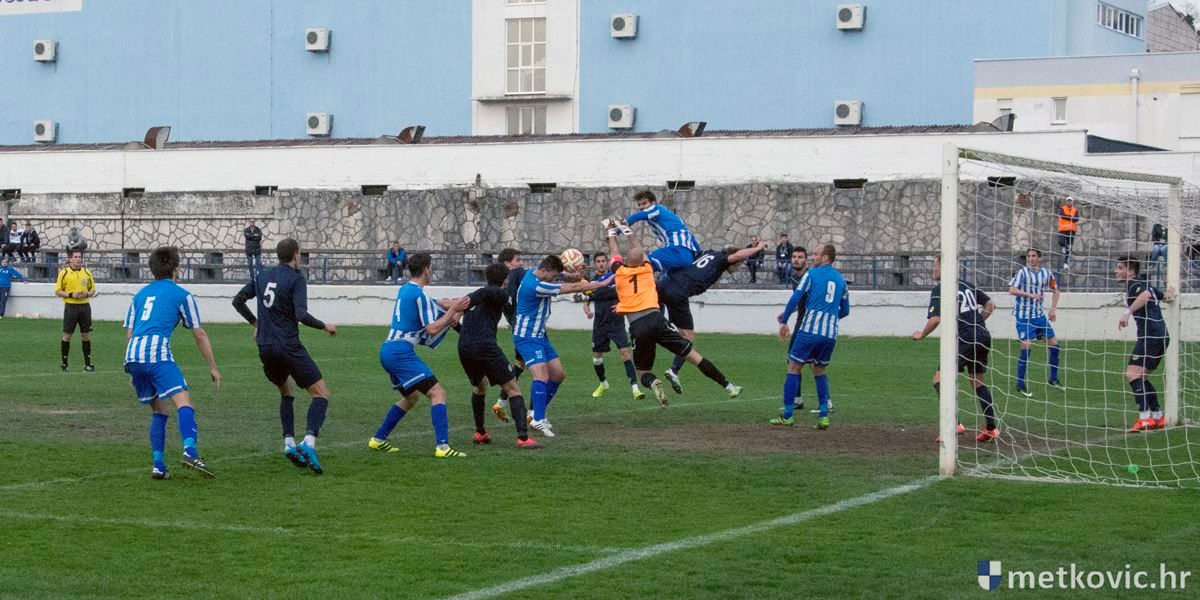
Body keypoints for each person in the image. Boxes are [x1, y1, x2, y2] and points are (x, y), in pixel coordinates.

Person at [232, 238, 337, 474]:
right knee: (321, 394)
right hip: (288, 345)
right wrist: (325, 326)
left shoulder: (262, 275)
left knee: (286, 392)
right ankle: (308, 442)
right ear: (296, 254)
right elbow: (301, 315)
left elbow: (237, 301)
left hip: (265, 346)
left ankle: (289, 443)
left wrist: (256, 323)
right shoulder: (296, 279)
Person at [606, 226, 742, 407]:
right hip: (658, 321)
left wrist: (611, 233)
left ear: (625, 262)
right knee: (694, 356)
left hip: (638, 326)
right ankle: (729, 386)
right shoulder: (647, 269)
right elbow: (639, 249)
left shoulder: (619, 272)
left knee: (643, 372)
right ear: (642, 261)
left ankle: (653, 382)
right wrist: (628, 232)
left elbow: (614, 252)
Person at [123, 247, 222, 479]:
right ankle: (190, 452)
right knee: (183, 401)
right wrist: (213, 367)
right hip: (156, 351)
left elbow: (130, 333)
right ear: (176, 269)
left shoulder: (139, 296)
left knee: (159, 409)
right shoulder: (181, 295)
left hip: (133, 354)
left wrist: (132, 370)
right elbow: (199, 334)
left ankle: (158, 465)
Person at [368, 253, 472, 457]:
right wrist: (454, 311)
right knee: (438, 393)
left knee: (411, 397)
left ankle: (378, 439)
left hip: (388, 350)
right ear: (426, 269)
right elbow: (432, 329)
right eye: (430, 267)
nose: (431, 271)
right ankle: (443, 447)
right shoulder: (419, 295)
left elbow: (436, 302)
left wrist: (454, 305)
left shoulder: (406, 289)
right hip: (400, 352)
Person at [513, 254, 611, 437]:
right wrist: (602, 283)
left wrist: (575, 274)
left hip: (539, 335)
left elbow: (568, 278)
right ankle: (538, 418)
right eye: (553, 276)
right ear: (544, 271)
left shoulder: (536, 272)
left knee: (558, 374)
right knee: (541, 374)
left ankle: (535, 413)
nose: (554, 279)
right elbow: (573, 287)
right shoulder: (536, 286)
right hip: (526, 336)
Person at [659, 240, 770, 394]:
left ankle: (672, 364)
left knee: (680, 335)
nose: (737, 268)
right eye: (737, 265)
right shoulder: (721, 260)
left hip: (666, 284)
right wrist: (757, 248)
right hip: (679, 292)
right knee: (688, 339)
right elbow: (737, 255)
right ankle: (673, 370)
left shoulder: (710, 254)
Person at [910, 256, 999, 443]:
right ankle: (991, 428)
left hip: (965, 338)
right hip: (983, 336)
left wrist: (921, 334)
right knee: (978, 382)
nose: (933, 270)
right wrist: (977, 323)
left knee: (939, 380)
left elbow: (935, 319)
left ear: (944, 267)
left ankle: (954, 425)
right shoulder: (967, 285)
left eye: (935, 266)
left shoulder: (941, 289)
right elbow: (990, 305)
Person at [456, 262, 541, 449]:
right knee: (513, 389)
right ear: (505, 279)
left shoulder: (476, 298)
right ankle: (523, 438)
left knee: (480, 387)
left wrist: (468, 336)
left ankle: (480, 433)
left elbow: (455, 319)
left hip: (465, 347)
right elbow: (488, 293)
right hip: (485, 347)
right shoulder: (499, 293)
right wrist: (468, 299)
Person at [770, 244, 849, 430]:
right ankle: (823, 417)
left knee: (793, 367)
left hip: (809, 330)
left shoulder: (811, 274)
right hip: (830, 334)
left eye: (816, 254)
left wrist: (784, 321)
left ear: (826, 257)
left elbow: (796, 298)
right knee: (819, 371)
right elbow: (845, 310)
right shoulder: (841, 280)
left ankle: (788, 415)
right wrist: (829, 318)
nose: (813, 257)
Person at [1116, 257, 1173, 433]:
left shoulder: (1133, 284)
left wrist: (1127, 313)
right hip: (1161, 335)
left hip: (1150, 336)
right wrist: (1170, 294)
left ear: (1130, 271)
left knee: (1132, 374)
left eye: (1120, 268)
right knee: (1141, 377)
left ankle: (1144, 418)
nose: (1116, 271)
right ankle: (1157, 417)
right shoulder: (1145, 283)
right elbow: (1165, 297)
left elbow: (1145, 295)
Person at [581, 251, 643, 401]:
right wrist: (587, 311)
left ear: (607, 263)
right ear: (595, 264)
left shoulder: (615, 277)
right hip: (600, 324)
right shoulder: (592, 283)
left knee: (625, 353)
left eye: (603, 261)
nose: (601, 264)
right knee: (596, 359)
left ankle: (635, 388)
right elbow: (586, 302)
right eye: (598, 262)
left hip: (616, 322)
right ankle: (603, 384)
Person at [1008, 248, 1061, 396]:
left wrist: (1053, 309)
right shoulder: (1022, 273)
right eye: (1028, 256)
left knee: (1055, 345)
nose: (1030, 258)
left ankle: (1053, 378)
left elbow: (1056, 290)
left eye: (1033, 256)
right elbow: (1012, 290)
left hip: (1039, 316)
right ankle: (1020, 384)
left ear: (1040, 258)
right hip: (1023, 317)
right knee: (1026, 347)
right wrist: (1030, 295)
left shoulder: (1047, 274)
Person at [611, 190, 700, 274]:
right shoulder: (667, 216)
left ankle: (619, 279)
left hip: (676, 250)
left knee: (642, 262)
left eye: (644, 203)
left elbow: (636, 216)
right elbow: (691, 237)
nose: (641, 207)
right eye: (639, 205)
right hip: (687, 256)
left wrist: (615, 232)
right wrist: (699, 254)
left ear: (653, 202)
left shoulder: (656, 208)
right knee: (664, 279)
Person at [494, 247, 526, 421]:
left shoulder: (502, 283)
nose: (521, 264)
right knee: (543, 370)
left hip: (517, 326)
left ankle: (501, 402)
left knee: (520, 365)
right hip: (526, 328)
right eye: (517, 260)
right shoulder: (517, 274)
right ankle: (534, 415)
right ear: (507, 263)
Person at [55, 250, 96, 372]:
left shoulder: (87, 272)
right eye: (75, 257)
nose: (78, 259)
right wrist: (71, 294)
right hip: (71, 307)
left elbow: (93, 290)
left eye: (79, 257)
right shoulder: (64, 273)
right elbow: (58, 291)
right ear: (70, 259)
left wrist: (87, 294)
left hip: (85, 307)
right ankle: (64, 364)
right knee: (67, 335)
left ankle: (88, 364)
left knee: (85, 335)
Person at [1056, 196, 1080, 271]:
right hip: (1063, 229)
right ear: (1066, 202)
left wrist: (1068, 217)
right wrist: (1071, 218)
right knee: (1061, 241)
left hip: (1072, 231)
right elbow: (1063, 216)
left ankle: (1066, 263)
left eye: (1070, 201)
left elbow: (1077, 219)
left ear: (1072, 202)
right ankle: (1063, 246)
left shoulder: (1075, 210)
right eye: (1068, 201)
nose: (1069, 202)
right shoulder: (1062, 208)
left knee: (1069, 248)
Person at [1150, 223, 1167, 288]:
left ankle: (1166, 263)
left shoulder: (1169, 226)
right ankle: (1152, 264)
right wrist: (1158, 242)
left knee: (1163, 249)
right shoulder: (1156, 226)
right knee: (1156, 249)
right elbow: (1153, 237)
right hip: (1157, 243)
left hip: (1166, 244)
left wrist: (1164, 243)